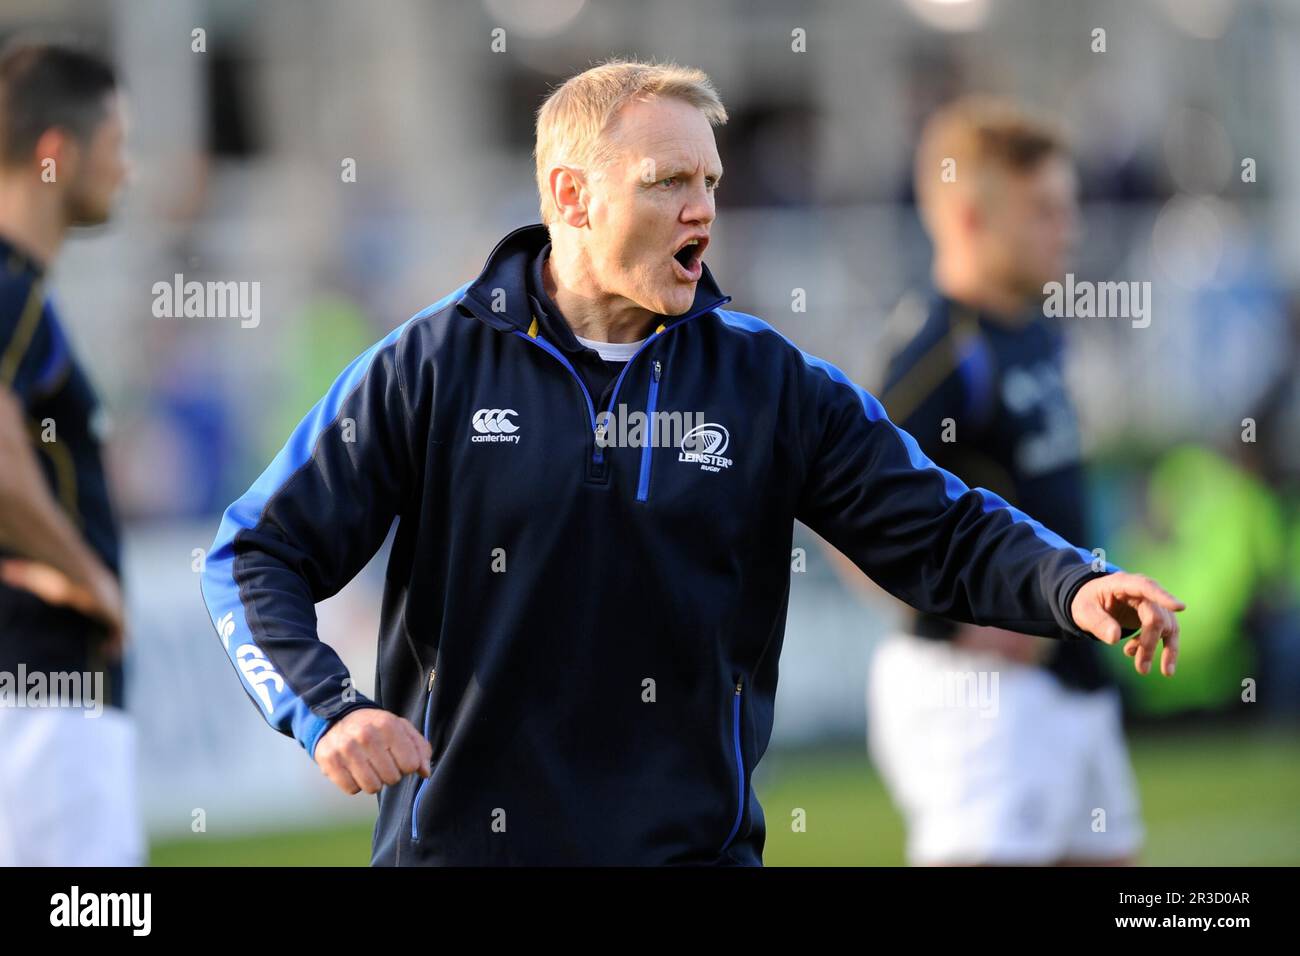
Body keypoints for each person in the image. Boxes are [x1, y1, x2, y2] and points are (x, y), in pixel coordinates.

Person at [200, 60, 1182, 866]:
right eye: (667, 181)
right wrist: (323, 704)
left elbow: (939, 525)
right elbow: (253, 553)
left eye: (710, 181)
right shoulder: (430, 364)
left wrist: (1073, 582)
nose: (701, 210)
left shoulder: (767, 379)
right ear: (570, 196)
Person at [849, 96, 1147, 865]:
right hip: (976, 689)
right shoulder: (937, 353)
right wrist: (963, 624)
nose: (1067, 229)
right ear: (970, 219)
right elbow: (842, 514)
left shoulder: (1035, 329)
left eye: (1067, 207)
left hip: (1068, 670)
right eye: (1043, 211)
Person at [0, 40, 141, 865]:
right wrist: (92, 580)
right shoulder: (8, 285)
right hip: (45, 692)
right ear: (58, 152)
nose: (128, 170)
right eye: (118, 146)